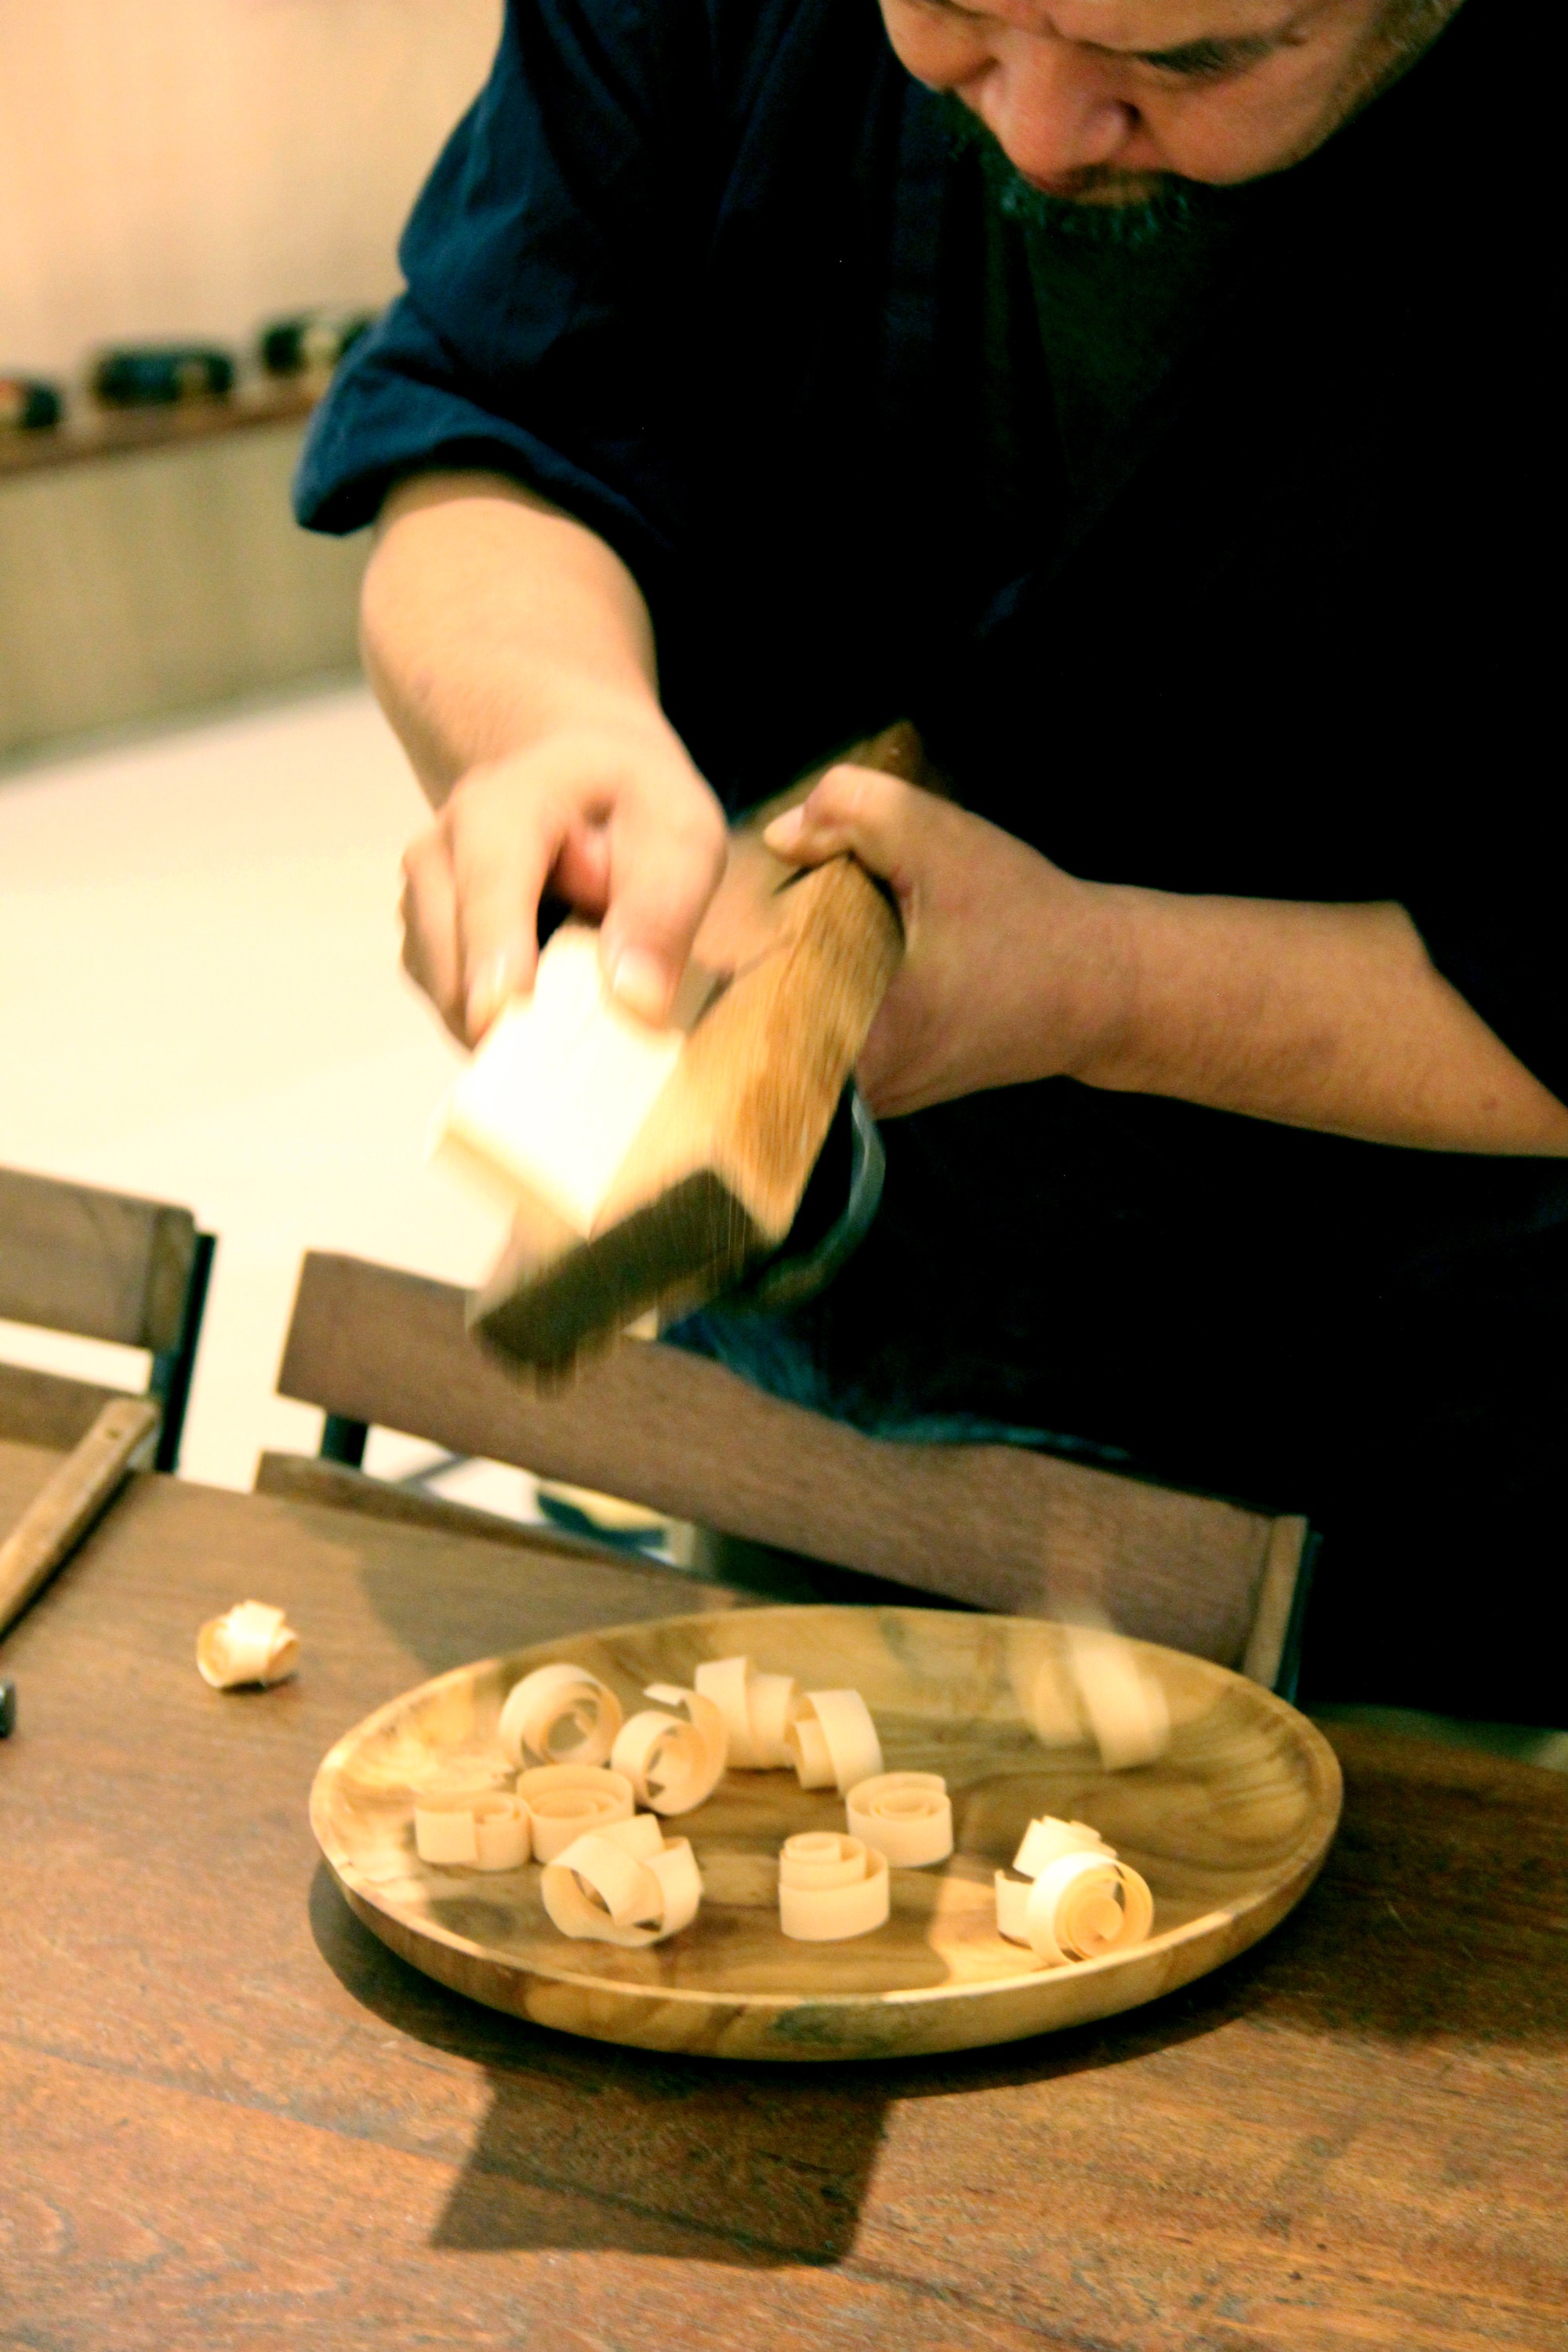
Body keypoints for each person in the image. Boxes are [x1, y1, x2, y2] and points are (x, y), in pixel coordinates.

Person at [296, 0, 1566, 1720]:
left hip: (1426, 1438)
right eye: (955, 6)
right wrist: (548, 723)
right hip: (826, 1367)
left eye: (1190, 64)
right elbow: (500, 411)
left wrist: (1112, 987)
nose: (1031, 127)